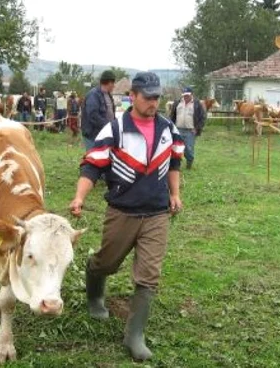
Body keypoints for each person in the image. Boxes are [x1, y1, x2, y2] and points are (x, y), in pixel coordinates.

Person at [69, 72, 184, 361]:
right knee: (108, 262)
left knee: (149, 276)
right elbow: (92, 166)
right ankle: (95, 289)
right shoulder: (115, 129)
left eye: (157, 97)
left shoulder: (168, 128)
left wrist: (174, 194)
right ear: (132, 96)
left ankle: (135, 335)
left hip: (157, 213)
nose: (153, 102)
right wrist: (80, 196)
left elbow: (174, 162)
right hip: (122, 212)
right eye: (148, 97)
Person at [169, 87, 205, 170]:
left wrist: (197, 128)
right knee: (176, 148)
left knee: (188, 149)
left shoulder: (197, 104)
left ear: (192, 94)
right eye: (184, 95)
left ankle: (189, 163)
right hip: (178, 130)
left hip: (190, 131)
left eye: (187, 95)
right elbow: (172, 116)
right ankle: (176, 165)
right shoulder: (177, 103)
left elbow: (202, 117)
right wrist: (172, 127)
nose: (185, 97)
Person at [81, 70, 116, 150]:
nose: (114, 86)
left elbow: (111, 114)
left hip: (103, 133)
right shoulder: (94, 95)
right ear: (109, 82)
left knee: (101, 158)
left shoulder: (108, 95)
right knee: (93, 158)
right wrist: (108, 126)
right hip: (93, 135)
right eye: (113, 83)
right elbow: (93, 116)